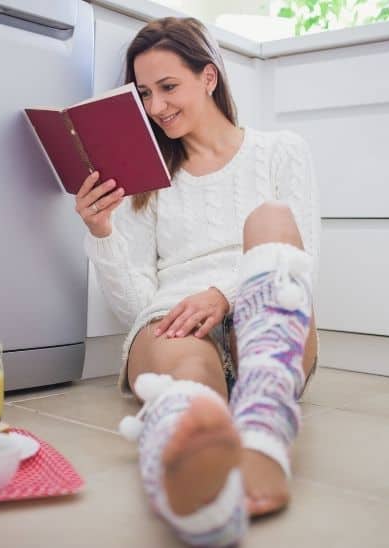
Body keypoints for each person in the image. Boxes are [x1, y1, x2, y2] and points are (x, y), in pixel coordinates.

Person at [75, 16, 320, 547]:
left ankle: (263, 434)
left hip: (264, 312)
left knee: (272, 218)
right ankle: (198, 475)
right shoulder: (146, 179)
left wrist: (226, 295)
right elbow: (137, 304)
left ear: (208, 77)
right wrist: (102, 232)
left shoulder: (281, 150)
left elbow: (305, 259)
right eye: (145, 94)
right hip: (177, 321)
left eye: (168, 87)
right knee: (189, 370)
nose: (157, 107)